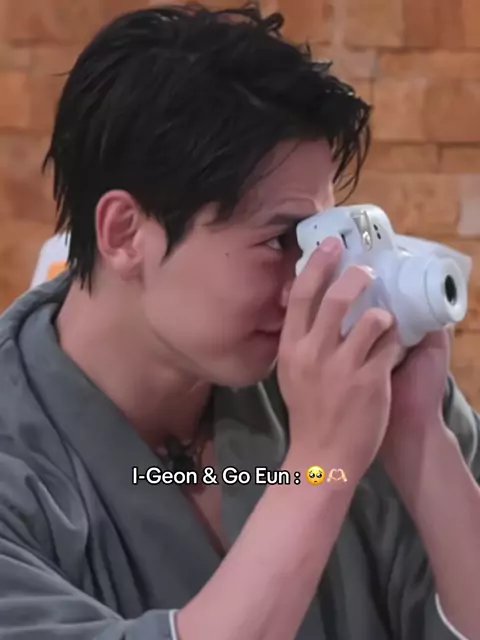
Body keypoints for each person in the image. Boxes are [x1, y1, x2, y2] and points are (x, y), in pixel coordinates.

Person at [0, 4, 478, 640]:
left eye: (317, 236)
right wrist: (321, 465)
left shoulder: (351, 382)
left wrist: (419, 439)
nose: (309, 283)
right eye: (281, 240)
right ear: (125, 234)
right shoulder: (20, 460)